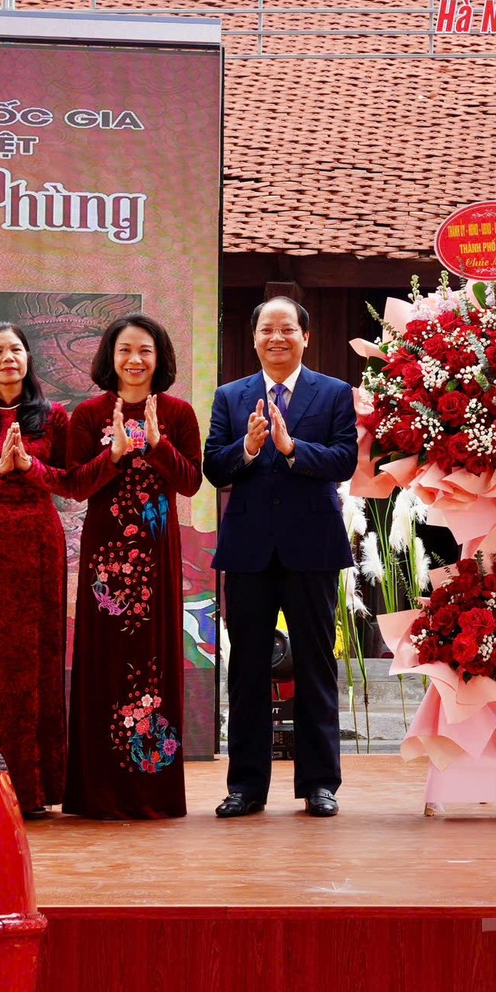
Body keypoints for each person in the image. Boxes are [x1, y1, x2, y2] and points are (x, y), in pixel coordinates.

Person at [0, 322, 111, 815]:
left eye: (16, 349)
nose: (8, 358)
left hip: (39, 541)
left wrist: (30, 469)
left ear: (28, 359)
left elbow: (72, 483)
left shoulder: (54, 417)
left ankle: (37, 788)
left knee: (37, 656)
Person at [204, 296, 358, 818]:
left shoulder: (335, 393)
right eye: (267, 329)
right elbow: (214, 468)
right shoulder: (230, 397)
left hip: (312, 549)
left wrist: (292, 449)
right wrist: (247, 448)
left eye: (287, 329)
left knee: (316, 665)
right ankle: (247, 786)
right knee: (246, 669)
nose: (277, 338)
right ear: (253, 338)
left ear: (305, 337)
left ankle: (319, 783)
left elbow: (345, 459)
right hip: (248, 552)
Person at [65, 314, 203, 819]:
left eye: (145, 350)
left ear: (160, 357)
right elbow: (75, 484)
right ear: (110, 356)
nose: (135, 360)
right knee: (104, 660)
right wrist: (116, 456)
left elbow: (190, 483)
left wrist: (159, 445)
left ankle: (151, 792)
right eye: (125, 350)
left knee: (153, 659)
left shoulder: (179, 412)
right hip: (106, 562)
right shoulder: (88, 414)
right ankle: (97, 792)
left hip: (156, 558)